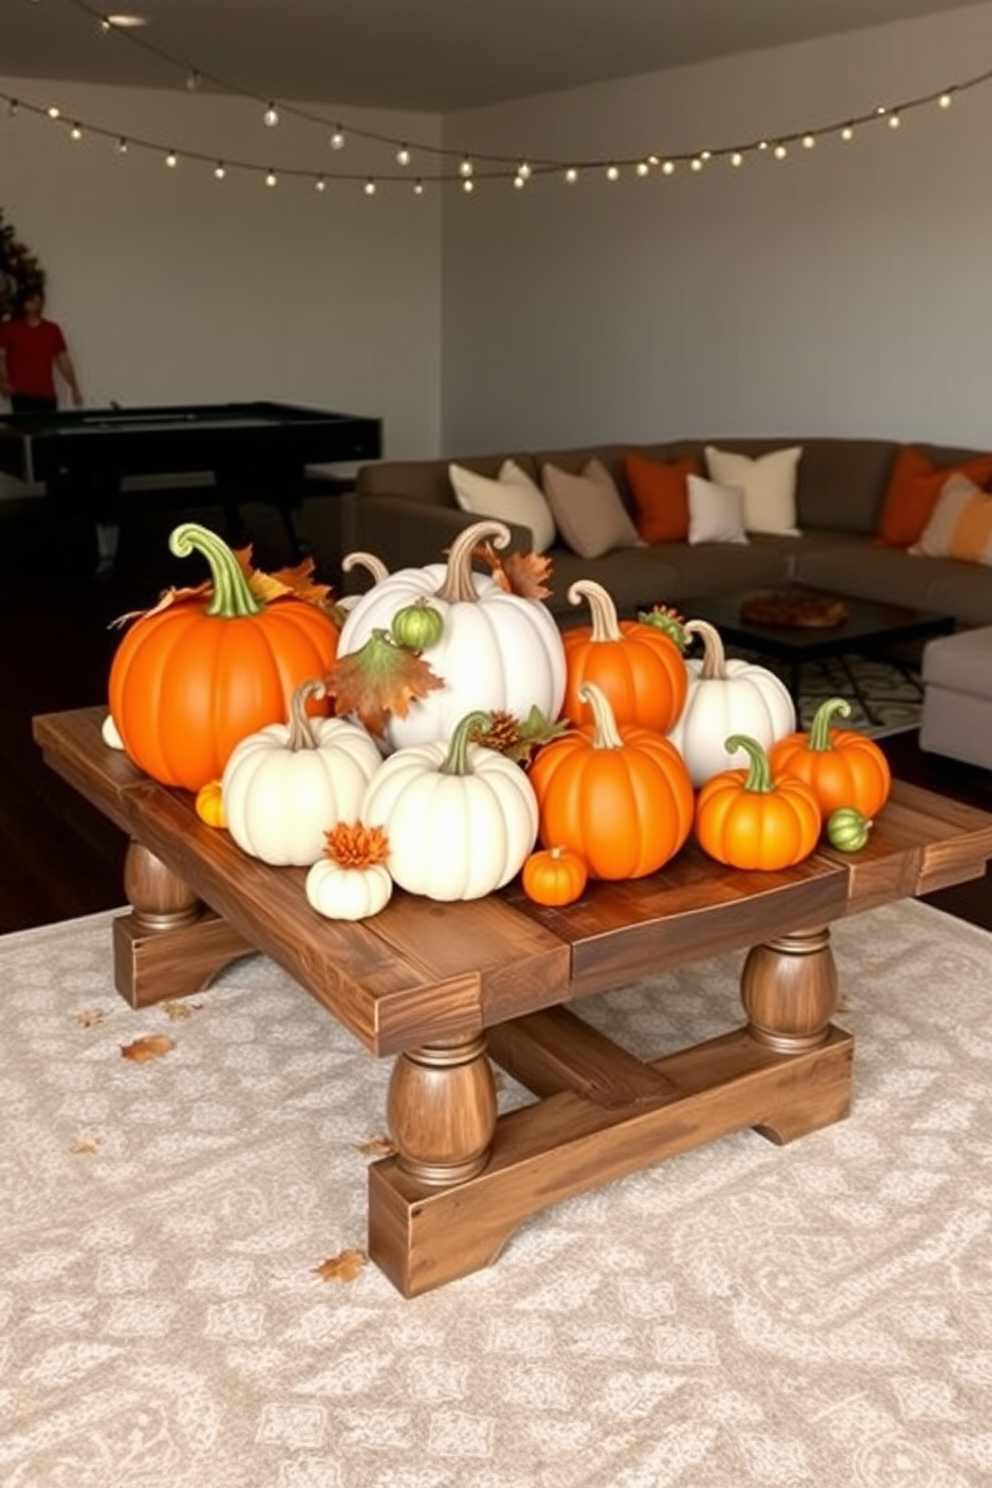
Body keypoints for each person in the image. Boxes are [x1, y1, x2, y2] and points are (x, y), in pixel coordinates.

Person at [0, 289, 119, 575]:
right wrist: (4, 382)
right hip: (22, 396)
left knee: (51, 447)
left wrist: (75, 386)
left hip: (46, 396)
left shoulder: (53, 330)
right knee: (28, 448)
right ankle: (41, 502)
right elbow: (1, 357)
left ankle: (57, 500)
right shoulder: (9, 329)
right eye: (31, 299)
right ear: (23, 303)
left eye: (39, 299)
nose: (36, 304)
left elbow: (62, 359)